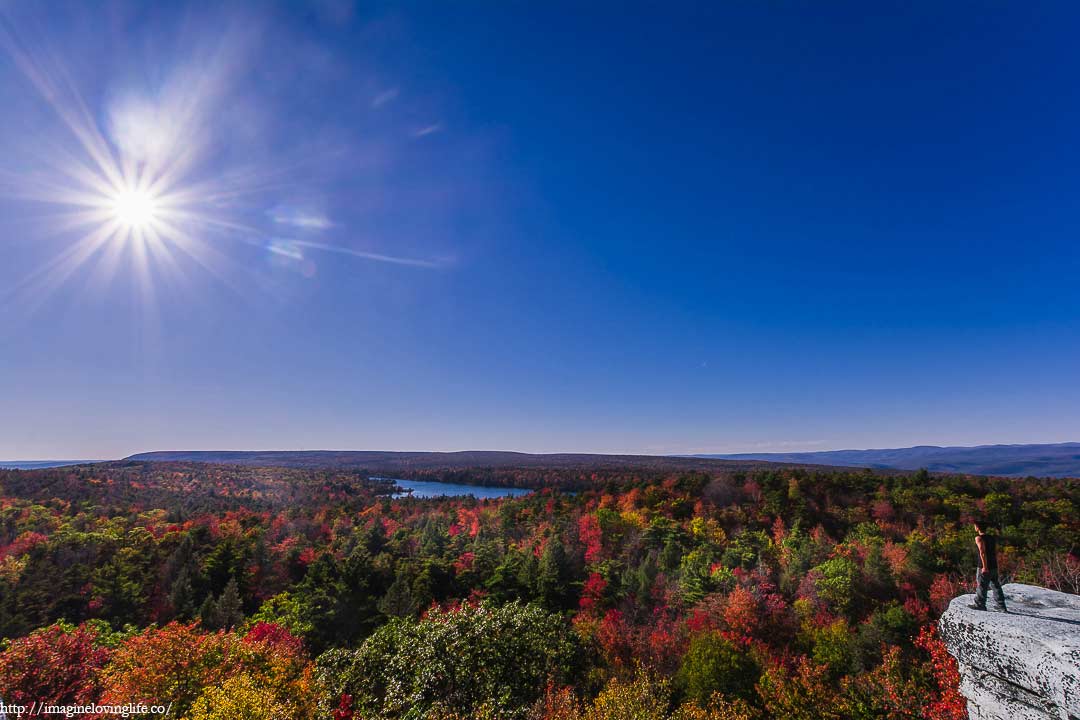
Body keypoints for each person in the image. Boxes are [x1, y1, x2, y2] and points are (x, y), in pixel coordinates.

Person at [969, 519, 1007, 612]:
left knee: (981, 585)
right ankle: (1001, 606)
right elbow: (994, 552)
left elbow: (982, 553)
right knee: (996, 585)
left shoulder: (979, 538)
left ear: (977, 527)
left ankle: (980, 604)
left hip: (984, 565)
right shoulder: (992, 538)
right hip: (993, 565)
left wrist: (985, 567)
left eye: (975, 526)